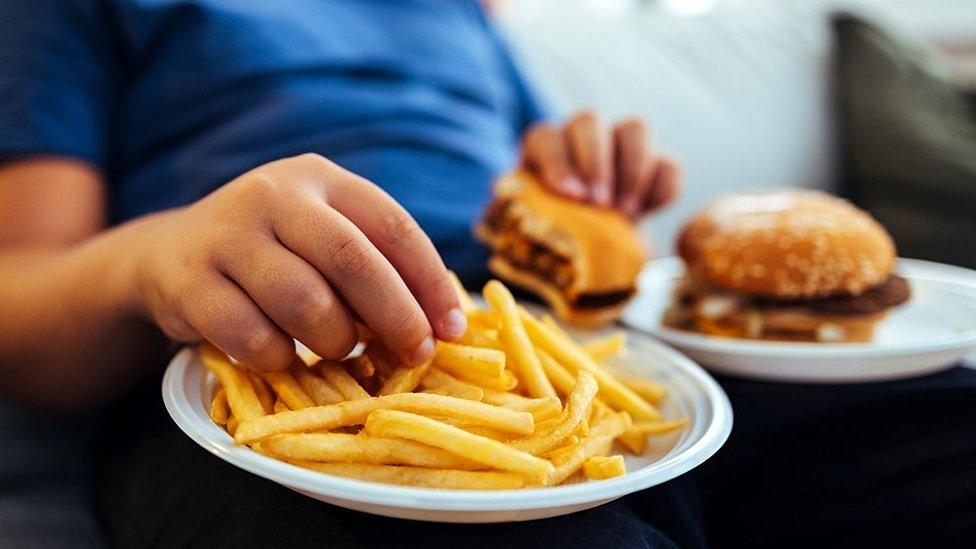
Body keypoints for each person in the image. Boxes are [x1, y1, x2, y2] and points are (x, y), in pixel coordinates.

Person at [0, 1, 690, 547]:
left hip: (540, 354)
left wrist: (594, 195)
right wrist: (154, 257)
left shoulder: (464, 11)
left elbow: (575, 228)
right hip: (257, 362)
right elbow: (19, 294)